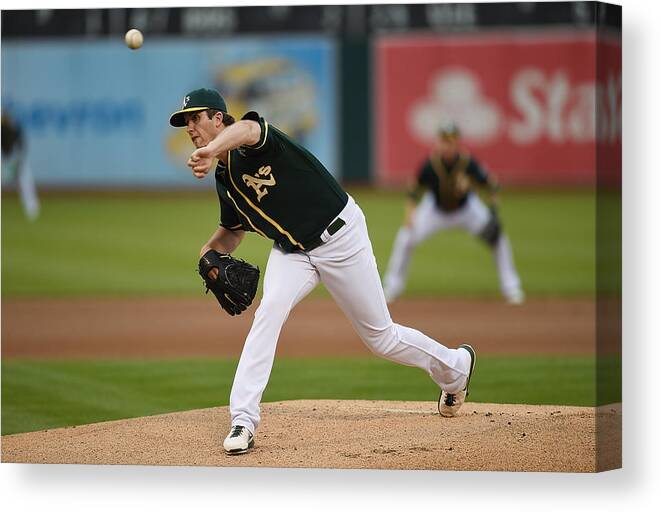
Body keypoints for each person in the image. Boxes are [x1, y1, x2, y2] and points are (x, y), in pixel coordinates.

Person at [169, 88, 476, 455]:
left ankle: (456, 367)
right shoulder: (225, 180)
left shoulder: (253, 141)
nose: (190, 127)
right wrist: (207, 253)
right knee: (268, 314)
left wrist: (213, 149)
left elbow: (249, 129)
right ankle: (243, 420)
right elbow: (233, 231)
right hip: (293, 251)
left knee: (381, 338)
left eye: (196, 117)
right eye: (185, 121)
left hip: (340, 236)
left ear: (218, 118)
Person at [382, 122, 524, 305]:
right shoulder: (430, 166)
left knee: (498, 239)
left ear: (457, 143)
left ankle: (511, 287)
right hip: (435, 210)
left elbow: (492, 185)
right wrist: (409, 216)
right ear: (438, 142)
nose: (447, 145)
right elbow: (413, 193)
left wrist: (494, 210)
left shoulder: (468, 163)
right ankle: (392, 287)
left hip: (467, 210)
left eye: (450, 141)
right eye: (443, 141)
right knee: (405, 237)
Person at [1, 113, 40, 221]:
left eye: (4, 118)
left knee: (26, 177)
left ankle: (31, 207)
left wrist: (18, 161)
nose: (4, 120)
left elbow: (21, 146)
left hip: (16, 160)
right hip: (4, 162)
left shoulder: (15, 129)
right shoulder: (3, 130)